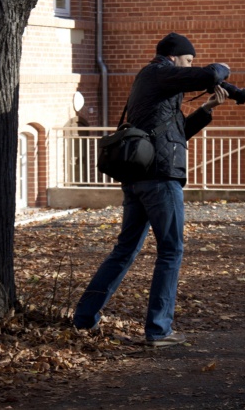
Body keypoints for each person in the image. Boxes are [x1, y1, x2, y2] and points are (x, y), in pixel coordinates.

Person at [73, 32, 231, 347]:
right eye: (188, 62)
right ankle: (158, 330)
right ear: (174, 57)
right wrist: (222, 70)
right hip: (159, 178)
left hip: (140, 178)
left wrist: (208, 108)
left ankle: (84, 318)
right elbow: (213, 72)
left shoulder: (155, 82)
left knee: (124, 251)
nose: (189, 68)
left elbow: (176, 134)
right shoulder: (160, 73)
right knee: (170, 250)